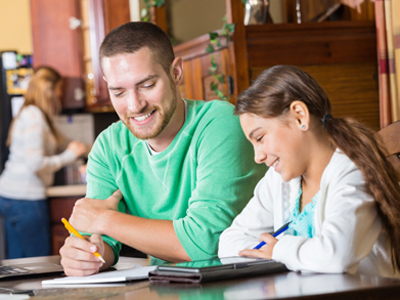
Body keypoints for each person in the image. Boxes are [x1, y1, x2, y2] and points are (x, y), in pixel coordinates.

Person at [59, 21, 265, 276]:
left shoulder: (220, 123)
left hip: (247, 284)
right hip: (173, 286)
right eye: (119, 92)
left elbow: (205, 243)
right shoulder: (109, 146)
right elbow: (101, 242)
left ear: (176, 72)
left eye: (147, 85)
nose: (135, 105)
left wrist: (104, 220)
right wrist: (87, 254)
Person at [218, 65, 400, 278]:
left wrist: (277, 249)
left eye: (260, 138)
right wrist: (282, 254)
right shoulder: (278, 180)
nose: (257, 156)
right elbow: (230, 241)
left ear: (299, 116)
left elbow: (336, 255)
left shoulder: (353, 172)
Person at [0, 66, 87, 259]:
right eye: (59, 88)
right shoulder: (35, 118)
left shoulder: (33, 114)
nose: (61, 94)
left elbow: (64, 142)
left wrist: (85, 149)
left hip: (10, 195)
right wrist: (69, 156)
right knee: (39, 262)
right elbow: (35, 164)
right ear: (49, 89)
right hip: (25, 197)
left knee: (18, 264)